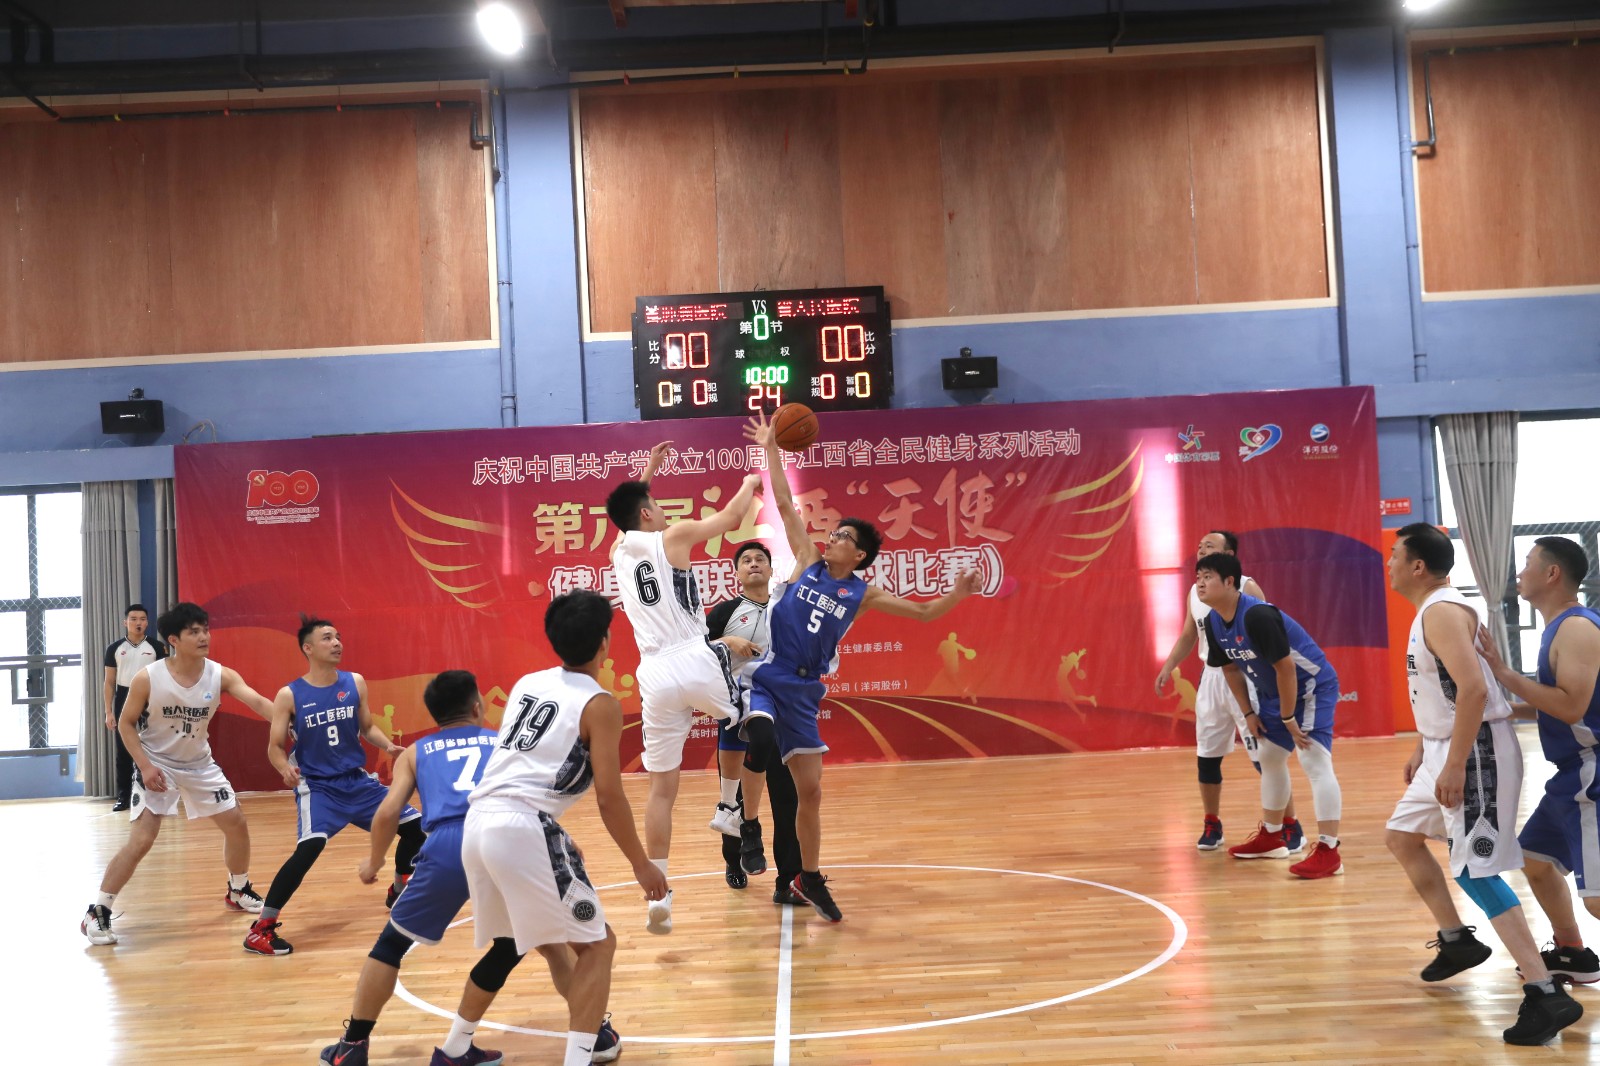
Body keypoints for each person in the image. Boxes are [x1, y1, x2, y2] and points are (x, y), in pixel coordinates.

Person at [743, 411, 981, 922]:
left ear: (860, 554)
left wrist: (958, 595)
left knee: (811, 793)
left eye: (844, 536)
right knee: (758, 735)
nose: (833, 536)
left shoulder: (862, 593)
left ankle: (808, 877)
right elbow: (783, 502)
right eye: (835, 532)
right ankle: (744, 823)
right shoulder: (808, 560)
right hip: (768, 675)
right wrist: (771, 448)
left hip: (804, 692)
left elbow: (923, 613)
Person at [319, 671, 624, 1066]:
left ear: (434, 714)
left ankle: (353, 1046)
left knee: (391, 946)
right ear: (478, 707)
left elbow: (388, 812)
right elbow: (523, 797)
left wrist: (375, 861)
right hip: (503, 838)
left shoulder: (416, 752)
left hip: (447, 845)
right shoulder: (502, 740)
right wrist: (557, 839)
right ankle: (594, 1033)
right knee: (543, 942)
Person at [1383, 524, 1580, 1045]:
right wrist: (1425, 746)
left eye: (1395, 555)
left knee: (1476, 870)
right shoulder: (1433, 610)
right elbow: (1449, 690)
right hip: (1446, 747)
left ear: (1418, 566)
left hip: (1474, 755)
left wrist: (1454, 765)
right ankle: (1457, 941)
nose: (1389, 563)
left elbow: (1472, 691)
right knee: (1402, 836)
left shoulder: (1443, 612)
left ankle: (1545, 992)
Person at [459, 590, 668, 1066]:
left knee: (525, 943)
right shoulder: (600, 704)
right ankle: (580, 1055)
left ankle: (453, 1048)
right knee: (598, 944)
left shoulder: (528, 682)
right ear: (605, 642)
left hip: (479, 821)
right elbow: (609, 797)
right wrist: (642, 864)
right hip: (522, 826)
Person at [604, 465, 759, 934]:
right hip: (693, 656)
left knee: (661, 791)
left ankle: (660, 895)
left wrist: (647, 473)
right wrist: (751, 481)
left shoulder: (618, 553)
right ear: (647, 514)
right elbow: (732, 518)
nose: (663, 511)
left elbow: (625, 516)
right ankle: (729, 808)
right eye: (656, 504)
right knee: (753, 714)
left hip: (653, 673)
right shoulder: (673, 537)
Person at [80, 602, 277, 945]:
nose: (204, 637)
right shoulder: (148, 677)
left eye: (205, 630)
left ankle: (238, 889)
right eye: (194, 632)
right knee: (142, 840)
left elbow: (259, 702)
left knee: (236, 823)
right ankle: (97, 911)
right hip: (157, 763)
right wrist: (145, 766)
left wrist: (291, 723)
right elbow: (126, 724)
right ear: (174, 639)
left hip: (199, 764)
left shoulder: (221, 675)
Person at [245, 617, 420, 956]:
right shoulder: (289, 695)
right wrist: (283, 768)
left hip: (357, 781)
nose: (337, 643)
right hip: (319, 787)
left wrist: (388, 745)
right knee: (309, 849)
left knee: (416, 828)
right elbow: (275, 746)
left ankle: (400, 887)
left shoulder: (355, 682)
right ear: (308, 648)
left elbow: (367, 727)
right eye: (327, 638)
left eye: (338, 637)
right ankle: (260, 929)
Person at [1478, 536, 1600, 989]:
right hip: (1572, 773)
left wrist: (1503, 673)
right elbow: (1561, 704)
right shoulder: (1559, 627)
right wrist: (1505, 708)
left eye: (1527, 562)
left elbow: (1570, 707)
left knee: (1597, 899)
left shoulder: (1577, 628)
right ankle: (1573, 953)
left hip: (1591, 769)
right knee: (1535, 859)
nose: (1519, 572)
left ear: (1552, 574)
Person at [1194, 552, 1344, 879]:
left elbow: (1286, 669)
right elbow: (1230, 669)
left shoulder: (1258, 615)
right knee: (1270, 756)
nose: (1200, 584)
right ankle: (1272, 837)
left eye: (1207, 577)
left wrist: (1288, 718)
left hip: (1310, 687)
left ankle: (1329, 851)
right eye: (1198, 578)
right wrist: (1248, 711)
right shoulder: (1213, 622)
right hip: (1274, 693)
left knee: (1314, 761)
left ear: (1230, 582)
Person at [1155, 532, 1305, 852]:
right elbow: (1188, 634)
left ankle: (1290, 824)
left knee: (1266, 757)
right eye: (1199, 546)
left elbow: (1270, 635)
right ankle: (1212, 823)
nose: (1201, 549)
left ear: (1229, 556)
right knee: (1207, 756)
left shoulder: (1248, 587)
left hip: (1246, 674)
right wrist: (1169, 666)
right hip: (1213, 678)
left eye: (1209, 546)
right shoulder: (1196, 591)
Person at [705, 540, 783, 889]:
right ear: (736, 573)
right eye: (746, 560)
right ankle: (733, 858)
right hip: (736, 706)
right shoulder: (725, 613)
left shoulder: (785, 609)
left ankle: (788, 867)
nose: (754, 564)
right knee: (733, 792)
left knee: (783, 788)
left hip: (780, 707)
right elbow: (695, 651)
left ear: (770, 569)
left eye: (760, 559)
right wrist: (727, 642)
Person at [102, 603, 168, 812]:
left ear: (147, 623)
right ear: (125, 622)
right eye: (133, 619)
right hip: (124, 695)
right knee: (123, 748)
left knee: (156, 745)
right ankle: (124, 795)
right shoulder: (114, 648)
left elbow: (165, 678)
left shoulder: (157, 647)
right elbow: (109, 682)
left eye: (142, 619)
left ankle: (158, 792)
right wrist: (108, 712)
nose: (138, 623)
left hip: (151, 695)